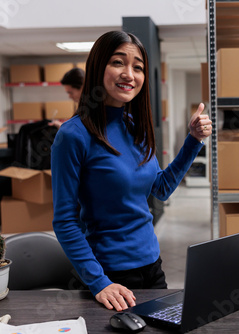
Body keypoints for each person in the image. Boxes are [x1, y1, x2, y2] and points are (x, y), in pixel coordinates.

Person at [50, 30, 212, 311]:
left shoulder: (135, 125)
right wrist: (98, 282)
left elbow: (160, 189)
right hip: (110, 276)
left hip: (153, 267)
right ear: (98, 67)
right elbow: (64, 221)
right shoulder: (73, 135)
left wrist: (194, 141)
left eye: (138, 67)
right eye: (118, 62)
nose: (129, 73)